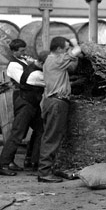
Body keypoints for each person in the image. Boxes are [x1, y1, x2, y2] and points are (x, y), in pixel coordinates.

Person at [37, 37, 82, 183]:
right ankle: (44, 172)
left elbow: (73, 67)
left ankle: (50, 169)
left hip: (55, 102)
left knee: (53, 136)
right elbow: (77, 51)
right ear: (58, 49)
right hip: (56, 102)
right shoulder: (55, 60)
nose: (67, 51)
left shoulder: (54, 62)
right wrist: (75, 43)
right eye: (65, 48)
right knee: (51, 137)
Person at [0, 51, 48, 176]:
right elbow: (52, 82)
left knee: (40, 130)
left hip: (32, 104)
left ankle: (32, 160)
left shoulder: (34, 67)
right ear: (41, 63)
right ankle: (3, 165)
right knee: (17, 134)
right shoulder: (35, 74)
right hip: (26, 104)